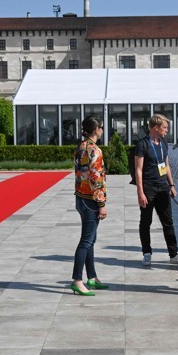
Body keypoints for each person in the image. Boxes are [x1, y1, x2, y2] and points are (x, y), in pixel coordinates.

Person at [134, 114, 178, 267]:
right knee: (146, 222)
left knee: (168, 222)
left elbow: (166, 165)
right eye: (164, 127)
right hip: (148, 188)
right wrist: (140, 193)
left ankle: (173, 253)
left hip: (163, 187)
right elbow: (138, 170)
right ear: (155, 127)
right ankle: (147, 253)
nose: (166, 130)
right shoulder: (142, 144)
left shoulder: (163, 142)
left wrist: (172, 185)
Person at [71, 115, 109, 296]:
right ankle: (77, 280)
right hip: (91, 200)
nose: (102, 130)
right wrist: (101, 203)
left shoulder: (80, 147)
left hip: (80, 197)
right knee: (86, 241)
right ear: (96, 130)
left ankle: (92, 277)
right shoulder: (95, 150)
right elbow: (96, 178)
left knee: (90, 239)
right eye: (101, 127)